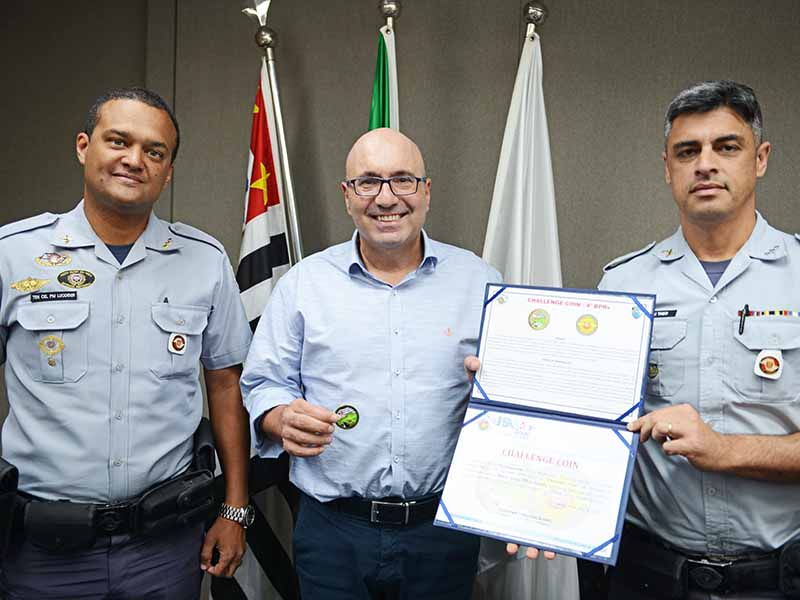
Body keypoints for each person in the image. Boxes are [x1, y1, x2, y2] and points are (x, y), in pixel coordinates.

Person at [0, 87, 253, 598]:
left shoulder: (204, 260)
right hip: (44, 548)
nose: (134, 160)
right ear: (82, 147)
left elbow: (225, 385)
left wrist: (235, 508)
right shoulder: (13, 255)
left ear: (168, 170)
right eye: (118, 141)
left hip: (164, 547)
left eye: (154, 151)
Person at [241, 128, 501, 599]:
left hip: (441, 530)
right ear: (346, 195)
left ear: (426, 191)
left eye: (403, 180)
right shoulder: (304, 285)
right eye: (368, 182)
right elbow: (263, 382)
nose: (386, 198)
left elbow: (515, 394)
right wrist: (280, 417)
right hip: (332, 529)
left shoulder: (481, 282)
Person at [598, 80, 800, 599]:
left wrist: (724, 449)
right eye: (687, 151)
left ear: (760, 158)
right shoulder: (622, 284)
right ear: (668, 168)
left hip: (778, 578)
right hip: (648, 575)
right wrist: (517, 379)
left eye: (726, 147)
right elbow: (592, 422)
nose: (705, 164)